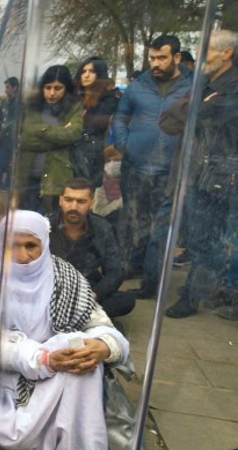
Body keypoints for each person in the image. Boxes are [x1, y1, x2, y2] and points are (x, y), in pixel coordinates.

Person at [0, 210, 130, 449]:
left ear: (44, 244)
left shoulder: (64, 275)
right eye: (13, 246)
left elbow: (99, 324)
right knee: (0, 432)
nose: (22, 256)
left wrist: (103, 346)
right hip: (10, 375)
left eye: (31, 246)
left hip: (66, 374)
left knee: (80, 354)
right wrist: (44, 360)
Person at [158, 30, 238, 319]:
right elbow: (167, 120)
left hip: (221, 175)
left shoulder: (233, 86)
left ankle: (199, 295)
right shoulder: (203, 84)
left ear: (226, 53)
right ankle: (202, 289)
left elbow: (205, 118)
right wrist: (198, 106)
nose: (201, 57)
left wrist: (194, 109)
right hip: (197, 171)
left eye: (207, 51)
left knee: (215, 239)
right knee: (200, 238)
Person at [111, 34, 191, 295]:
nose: (155, 63)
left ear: (176, 57)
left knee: (161, 228)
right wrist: (123, 144)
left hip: (170, 170)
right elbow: (120, 117)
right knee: (134, 221)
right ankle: (133, 265)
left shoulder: (192, 86)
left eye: (162, 58)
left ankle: (152, 281)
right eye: (152, 58)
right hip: (135, 166)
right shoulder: (138, 86)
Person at [49, 178, 136, 318]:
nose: (73, 207)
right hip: (51, 290)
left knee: (126, 300)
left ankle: (76, 315)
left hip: (86, 289)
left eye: (81, 201)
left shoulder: (103, 228)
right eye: (68, 200)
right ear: (60, 201)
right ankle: (85, 317)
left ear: (91, 203)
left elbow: (115, 271)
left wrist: (92, 295)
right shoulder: (45, 226)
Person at [17, 65, 83, 214]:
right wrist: (59, 138)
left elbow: (73, 134)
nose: (52, 93)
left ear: (66, 88)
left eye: (58, 88)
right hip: (28, 177)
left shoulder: (73, 107)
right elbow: (26, 138)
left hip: (56, 178)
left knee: (52, 221)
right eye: (48, 88)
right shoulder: (32, 106)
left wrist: (39, 131)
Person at [72, 57, 121, 185]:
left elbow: (96, 126)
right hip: (72, 156)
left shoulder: (109, 100)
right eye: (84, 71)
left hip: (94, 158)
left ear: (100, 74)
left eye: (92, 71)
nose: (86, 75)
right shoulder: (74, 99)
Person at [0, 77, 19, 188]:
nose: (5, 90)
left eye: (8, 87)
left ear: (15, 88)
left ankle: (4, 182)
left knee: (5, 159)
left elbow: (13, 120)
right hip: (5, 135)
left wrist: (4, 127)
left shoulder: (17, 103)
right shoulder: (8, 101)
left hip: (10, 136)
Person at [92, 145, 124, 229]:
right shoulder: (101, 183)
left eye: (117, 160)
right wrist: (120, 203)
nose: (112, 164)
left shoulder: (134, 179)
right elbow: (98, 212)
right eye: (109, 161)